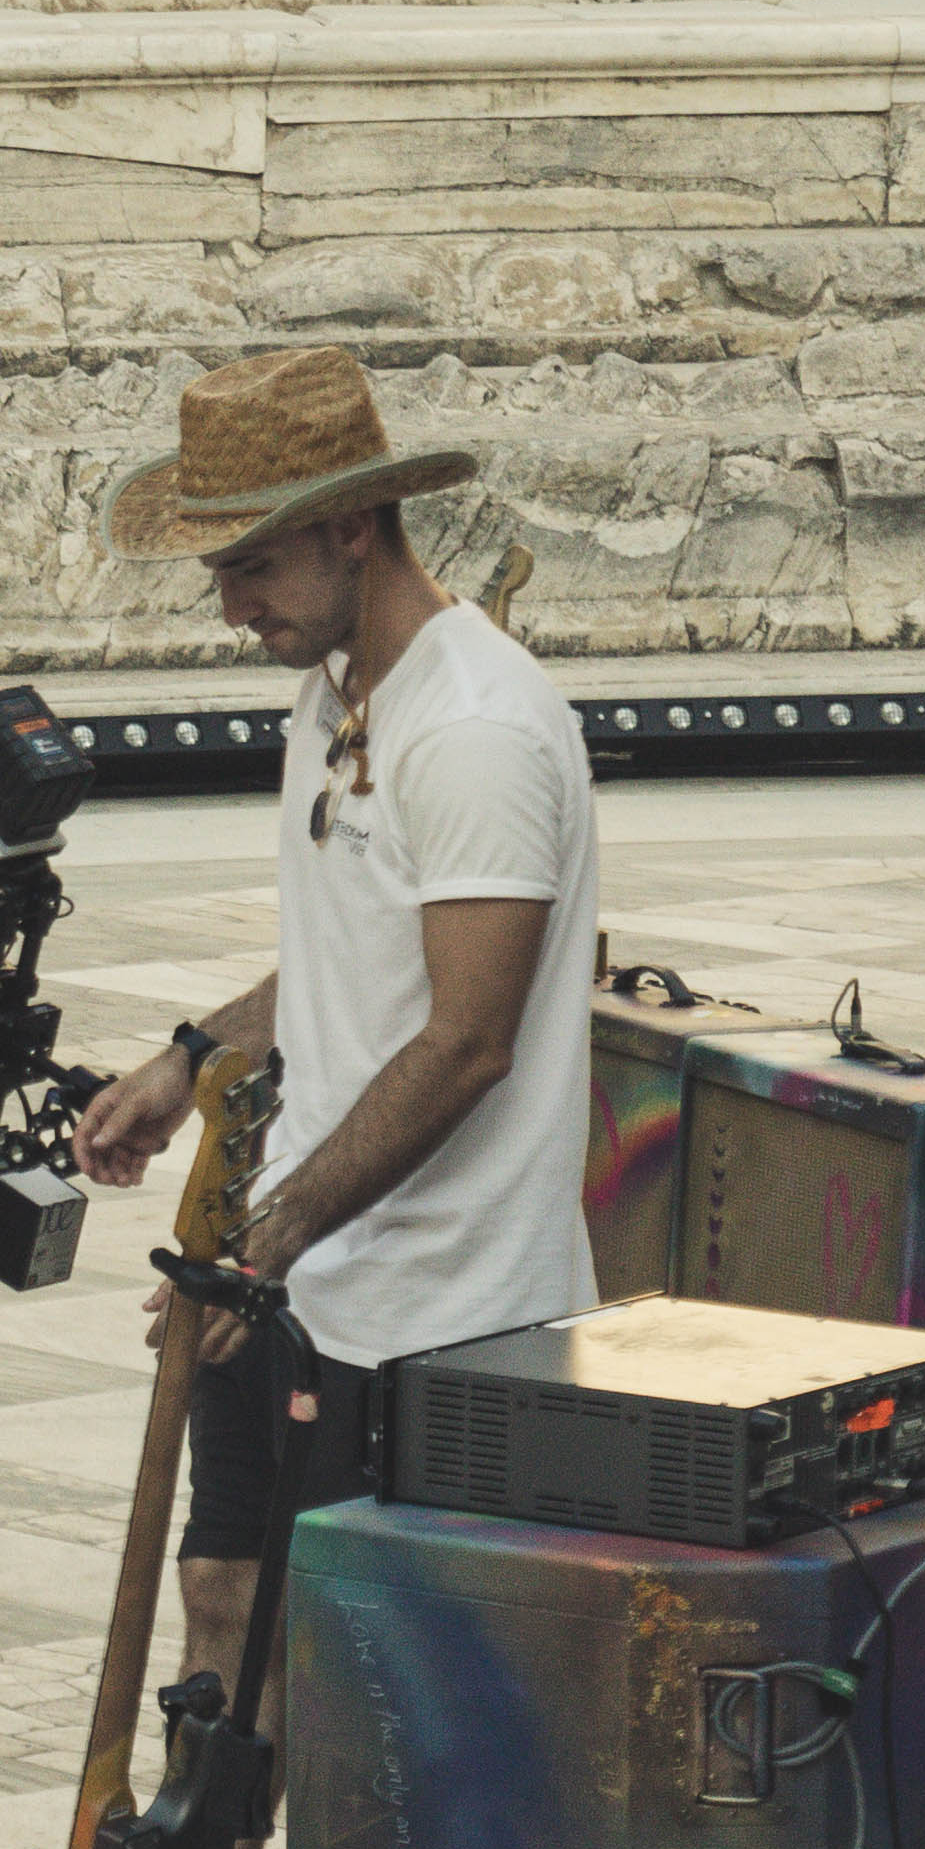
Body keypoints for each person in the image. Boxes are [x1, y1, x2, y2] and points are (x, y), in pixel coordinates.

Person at [66, 348, 598, 1715]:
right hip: (304, 1282)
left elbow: (467, 1038)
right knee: (222, 1599)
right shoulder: (335, 688)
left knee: (385, 1687)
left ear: (351, 527)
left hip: (444, 1316)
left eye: (250, 566)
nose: (230, 605)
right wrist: (189, 1060)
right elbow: (346, 963)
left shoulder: (472, 729)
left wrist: (271, 1241)